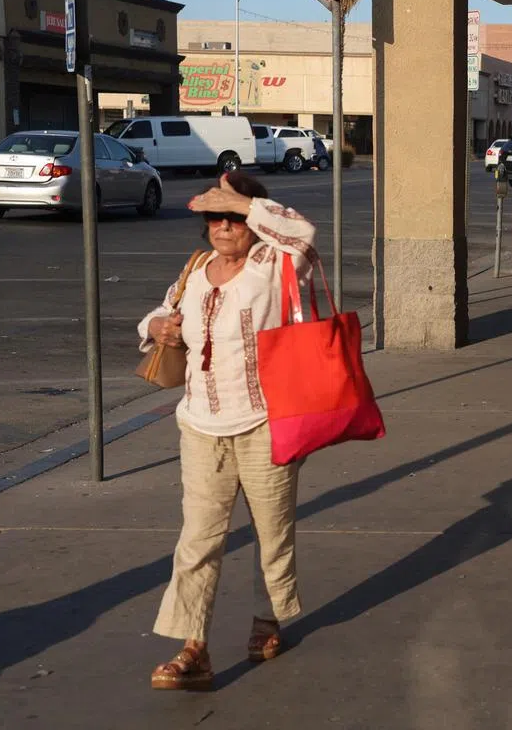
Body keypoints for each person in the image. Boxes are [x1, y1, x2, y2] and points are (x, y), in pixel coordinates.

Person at [138, 172, 317, 691]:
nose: (222, 226)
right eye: (213, 218)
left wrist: (243, 200)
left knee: (272, 533)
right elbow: (160, 311)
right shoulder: (196, 270)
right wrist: (155, 328)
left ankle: (268, 618)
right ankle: (193, 645)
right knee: (197, 539)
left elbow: (302, 232)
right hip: (200, 424)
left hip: (266, 421)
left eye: (232, 217)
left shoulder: (276, 262)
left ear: (251, 217)